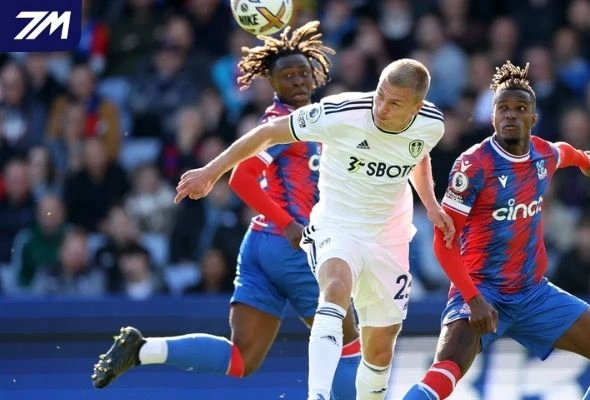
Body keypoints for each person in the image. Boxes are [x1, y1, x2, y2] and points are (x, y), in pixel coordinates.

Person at [91, 22, 362, 399]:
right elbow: (242, 179)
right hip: (292, 247)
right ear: (271, 80)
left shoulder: (309, 120)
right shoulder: (283, 125)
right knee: (350, 346)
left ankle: (142, 350)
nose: (298, 80)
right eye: (288, 75)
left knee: (242, 359)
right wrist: (289, 226)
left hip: (259, 246)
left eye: (304, 73)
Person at [172, 57, 454, 400]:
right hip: (336, 223)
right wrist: (210, 171)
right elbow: (267, 133)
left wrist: (431, 203)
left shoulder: (431, 123)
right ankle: (317, 394)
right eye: (380, 94)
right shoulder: (341, 112)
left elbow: (417, 154)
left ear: (417, 106)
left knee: (379, 350)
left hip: (387, 236)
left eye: (394, 103)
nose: (381, 107)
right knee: (334, 287)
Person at [402, 62, 590, 400]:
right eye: (503, 108)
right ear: (492, 117)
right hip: (481, 291)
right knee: (442, 376)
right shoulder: (473, 166)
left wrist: (587, 162)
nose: (511, 115)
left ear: (534, 118)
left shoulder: (543, 154)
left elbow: (565, 152)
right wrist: (473, 299)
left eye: (520, 109)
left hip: (533, 294)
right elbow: (445, 244)